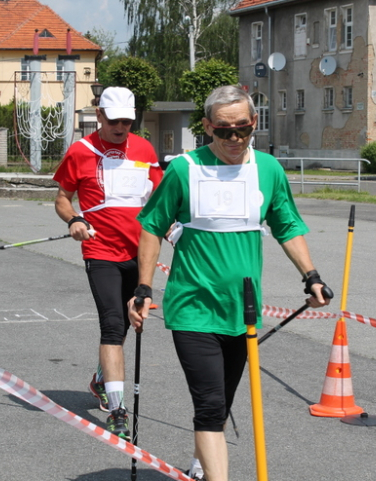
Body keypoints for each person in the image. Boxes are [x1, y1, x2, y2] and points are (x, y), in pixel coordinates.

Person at [129, 85, 331, 481]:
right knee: (208, 405)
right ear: (207, 127)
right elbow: (152, 227)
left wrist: (311, 277)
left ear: (254, 124)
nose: (235, 139)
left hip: (244, 311)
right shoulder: (184, 169)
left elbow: (286, 225)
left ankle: (200, 464)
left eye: (243, 129)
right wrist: (143, 287)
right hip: (193, 308)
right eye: (224, 131)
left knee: (220, 406)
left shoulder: (268, 170)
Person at [53, 86, 163, 439]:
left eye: (127, 121)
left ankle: (101, 379)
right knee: (113, 326)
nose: (121, 127)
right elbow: (62, 200)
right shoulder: (80, 152)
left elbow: (161, 199)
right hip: (100, 251)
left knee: (128, 323)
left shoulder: (144, 149)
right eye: (114, 120)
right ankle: (118, 409)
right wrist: (74, 221)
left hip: (140, 253)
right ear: (98, 115)